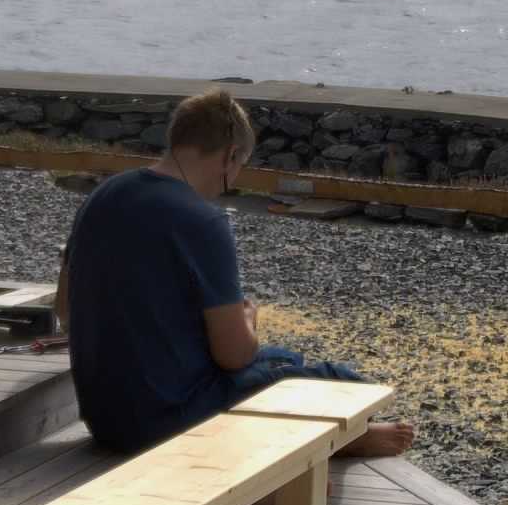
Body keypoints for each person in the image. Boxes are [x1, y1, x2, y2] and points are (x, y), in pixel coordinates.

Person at [53, 88, 416, 458]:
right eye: (240, 166)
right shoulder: (202, 221)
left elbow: (64, 312)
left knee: (283, 359)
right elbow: (235, 356)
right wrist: (247, 321)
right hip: (169, 422)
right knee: (342, 380)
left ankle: (329, 438)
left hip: (106, 420)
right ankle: (343, 438)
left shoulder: (103, 196)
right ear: (230, 156)